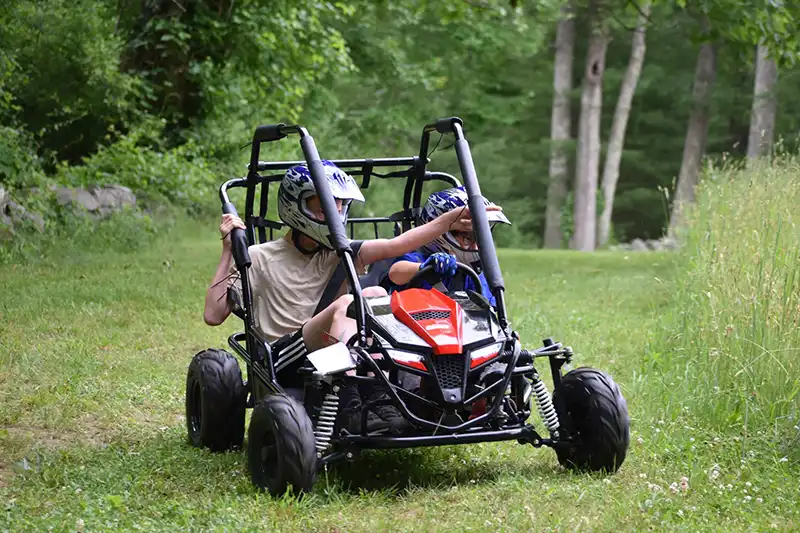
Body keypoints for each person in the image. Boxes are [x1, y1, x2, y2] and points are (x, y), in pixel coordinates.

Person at [203, 161, 482, 435]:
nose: (334, 212)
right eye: (322, 205)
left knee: (375, 294)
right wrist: (229, 250)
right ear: (296, 204)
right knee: (350, 303)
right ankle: (352, 404)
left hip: (333, 348)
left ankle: (377, 395)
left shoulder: (341, 253)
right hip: (285, 358)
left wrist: (448, 221)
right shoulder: (258, 256)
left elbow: (398, 244)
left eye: (339, 205)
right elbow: (213, 315)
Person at [386, 186, 511, 306]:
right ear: (440, 235)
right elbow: (396, 273)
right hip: (414, 322)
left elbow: (487, 312)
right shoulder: (418, 259)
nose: (476, 247)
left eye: (481, 240)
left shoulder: (473, 274)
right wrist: (425, 267)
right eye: (468, 238)